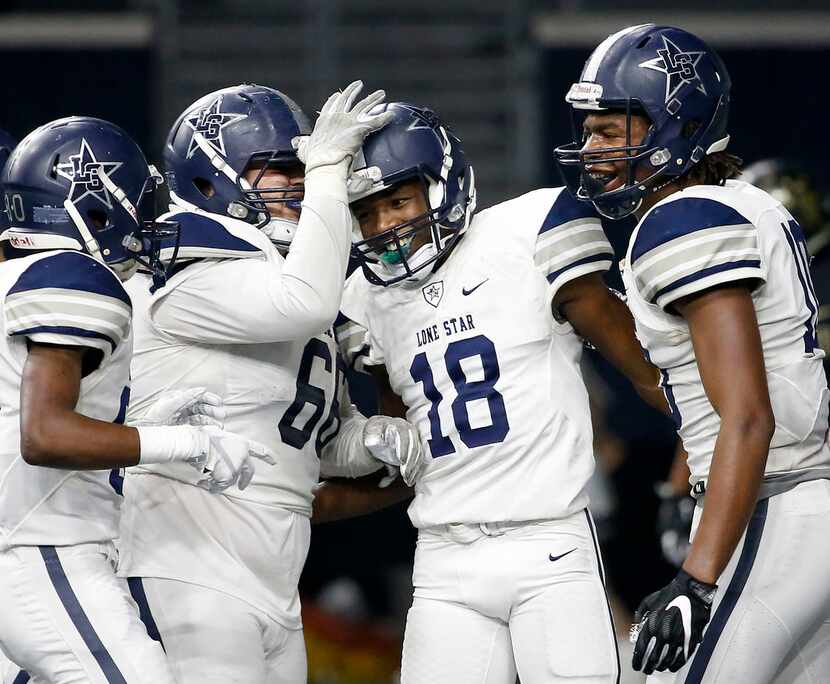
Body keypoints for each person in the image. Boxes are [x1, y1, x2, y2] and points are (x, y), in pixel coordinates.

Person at [336, 101, 670, 684]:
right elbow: (407, 444)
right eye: (367, 213)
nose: (385, 226)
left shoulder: (527, 231)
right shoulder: (362, 302)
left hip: (549, 542)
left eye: (397, 201)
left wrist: (714, 438)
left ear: (443, 186)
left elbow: (646, 370)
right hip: (443, 556)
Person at [116, 81, 421, 684]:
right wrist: (333, 170)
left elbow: (314, 444)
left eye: (303, 171)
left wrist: (375, 441)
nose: (300, 187)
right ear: (212, 179)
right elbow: (302, 303)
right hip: (188, 564)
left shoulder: (280, 282)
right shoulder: (189, 263)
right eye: (279, 172)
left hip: (276, 574)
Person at [557, 23, 830, 682]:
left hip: (776, 505)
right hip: (797, 504)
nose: (593, 148)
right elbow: (690, 384)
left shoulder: (680, 220)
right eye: (590, 130)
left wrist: (697, 579)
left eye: (613, 130)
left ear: (676, 126)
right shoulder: (742, 202)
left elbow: (746, 416)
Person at [0, 116, 270, 683]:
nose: (146, 220)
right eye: (140, 199)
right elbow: (43, 435)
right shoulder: (71, 275)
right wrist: (181, 443)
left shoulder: (14, 275)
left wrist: (140, 421)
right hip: (43, 547)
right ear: (92, 204)